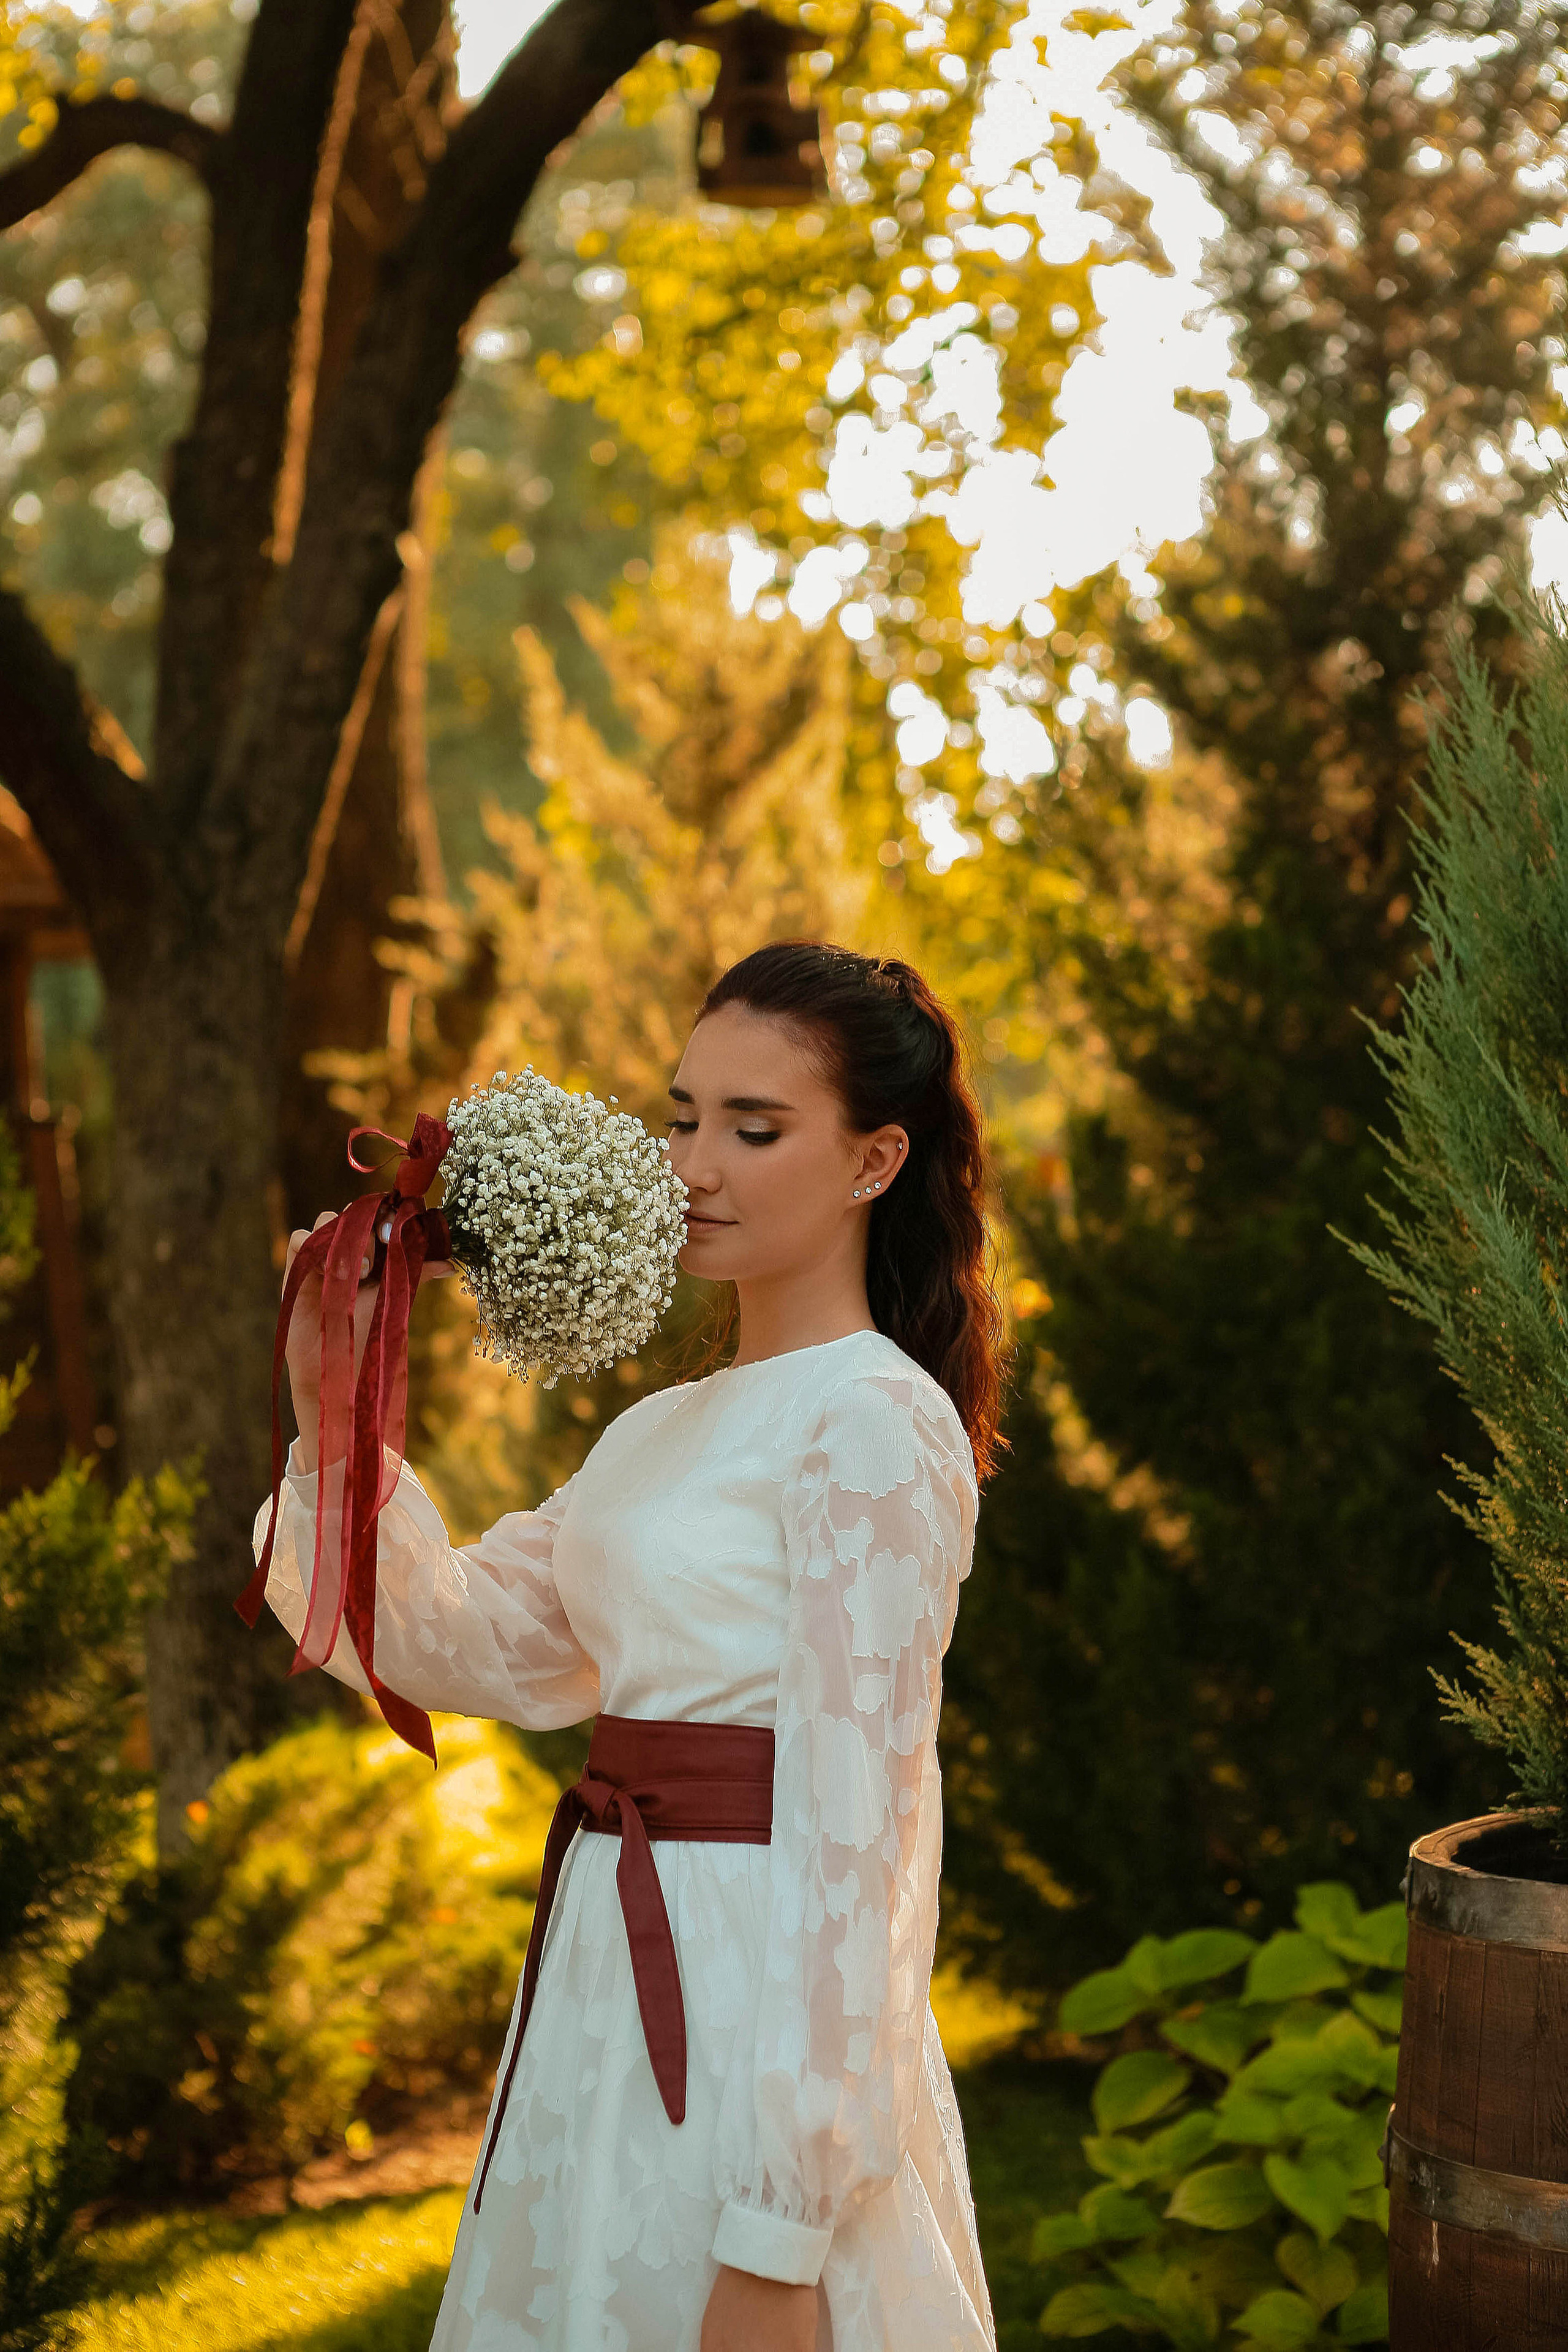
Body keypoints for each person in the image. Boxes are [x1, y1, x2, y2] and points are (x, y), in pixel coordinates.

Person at [256, 939, 1007, 2352]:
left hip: (753, 2004)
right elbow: (473, 1648)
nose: (694, 1165)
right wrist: (330, 1402)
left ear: (871, 1162)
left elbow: (865, 1834)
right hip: (605, 1980)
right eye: (680, 1117)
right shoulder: (653, 1432)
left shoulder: (870, 1421)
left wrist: (781, 2237)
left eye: (754, 1127)